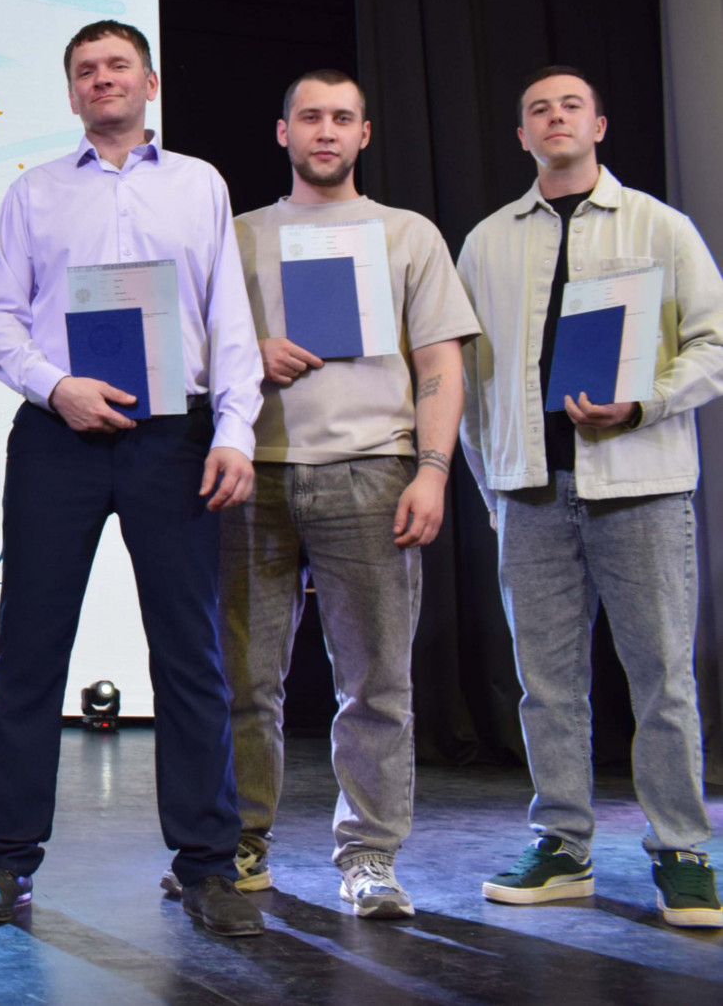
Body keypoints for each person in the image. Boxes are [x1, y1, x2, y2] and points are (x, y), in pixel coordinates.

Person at [0, 20, 265, 936]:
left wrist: (236, 430)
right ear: (71, 93)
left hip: (175, 435)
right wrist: (57, 386)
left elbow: (229, 316)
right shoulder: (34, 191)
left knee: (190, 651)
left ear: (150, 81)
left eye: (118, 66)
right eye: (87, 70)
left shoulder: (200, 183)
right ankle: (6, 863)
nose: (103, 79)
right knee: (28, 648)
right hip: (59, 433)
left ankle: (208, 865)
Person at [458, 66, 723, 928]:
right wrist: (494, 486)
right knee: (545, 684)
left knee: (663, 678)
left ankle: (682, 847)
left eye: (571, 105)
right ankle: (563, 845)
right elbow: (466, 381)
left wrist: (644, 403)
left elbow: (715, 343)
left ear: (599, 125)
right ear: (521, 135)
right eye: (538, 109)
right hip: (531, 491)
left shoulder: (659, 225)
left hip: (641, 484)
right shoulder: (487, 242)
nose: (555, 117)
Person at [223, 70, 478, 919]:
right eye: (309, 117)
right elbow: (194, 346)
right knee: (243, 680)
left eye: (341, 118)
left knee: (375, 683)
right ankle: (239, 843)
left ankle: (369, 854)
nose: (325, 131)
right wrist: (248, 350)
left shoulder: (407, 233)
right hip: (253, 473)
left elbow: (441, 362)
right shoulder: (237, 235)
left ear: (364, 133)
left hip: (373, 470)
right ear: (283, 131)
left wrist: (433, 469)